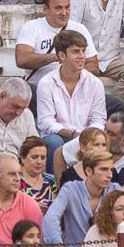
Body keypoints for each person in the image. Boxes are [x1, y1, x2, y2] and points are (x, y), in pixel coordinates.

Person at [36, 30, 107, 158]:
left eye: (83, 51)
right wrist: (72, 135)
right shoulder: (46, 83)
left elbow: (99, 119)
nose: (82, 56)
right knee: (53, 141)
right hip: (59, 137)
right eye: (75, 52)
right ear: (62, 56)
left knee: (100, 140)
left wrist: (85, 136)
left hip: (87, 137)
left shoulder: (95, 83)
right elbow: (45, 122)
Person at [15, 0, 100, 88]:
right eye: (58, 8)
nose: (64, 13)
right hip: (37, 88)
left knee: (111, 99)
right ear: (45, 8)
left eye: (67, 7)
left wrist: (68, 74)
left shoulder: (79, 29)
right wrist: (56, 57)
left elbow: (93, 66)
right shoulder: (32, 27)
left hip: (71, 89)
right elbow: (22, 60)